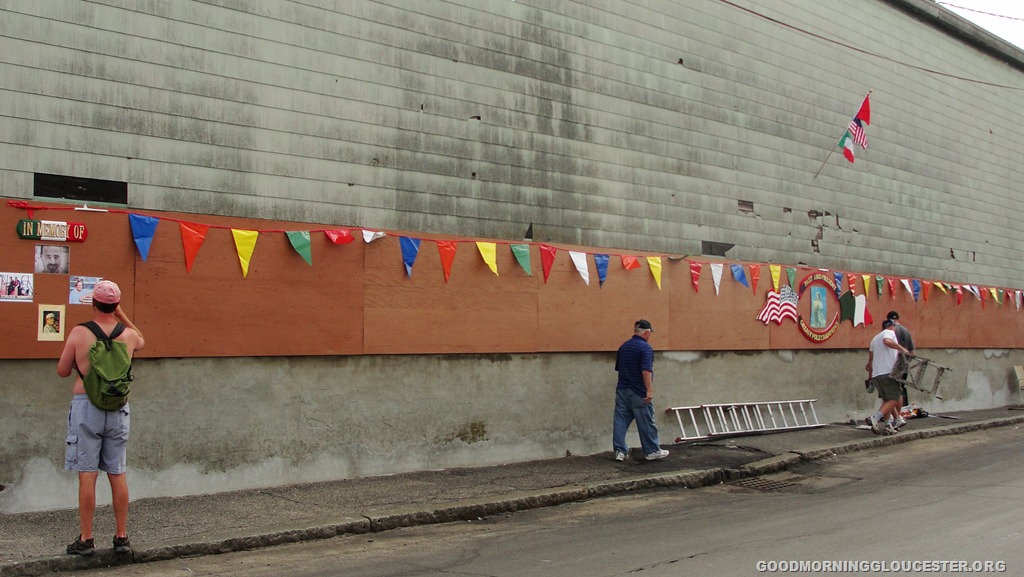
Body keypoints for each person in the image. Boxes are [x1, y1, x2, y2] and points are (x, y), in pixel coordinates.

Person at [57, 280, 145, 556]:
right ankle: (121, 537)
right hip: (118, 408)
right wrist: (121, 315)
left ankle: (86, 539)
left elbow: (62, 370)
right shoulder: (128, 336)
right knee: (117, 472)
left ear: (93, 303)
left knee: (87, 474)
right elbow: (142, 341)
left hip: (86, 406)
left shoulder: (80, 332)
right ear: (116, 305)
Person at [612, 319, 669, 461]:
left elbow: (619, 368)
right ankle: (652, 451)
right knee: (646, 421)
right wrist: (649, 390)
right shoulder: (645, 348)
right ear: (647, 332)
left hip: (622, 389)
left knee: (620, 420)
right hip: (638, 391)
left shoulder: (624, 347)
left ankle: (620, 451)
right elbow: (646, 371)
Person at [865, 319, 913, 435]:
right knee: (894, 398)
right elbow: (887, 341)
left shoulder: (874, 339)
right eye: (895, 327)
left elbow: (869, 362)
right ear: (892, 326)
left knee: (886, 400)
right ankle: (875, 418)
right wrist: (902, 349)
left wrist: (870, 377)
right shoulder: (889, 332)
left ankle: (888, 425)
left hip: (877, 375)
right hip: (888, 373)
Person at [887, 310, 915, 429]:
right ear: (898, 318)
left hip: (892, 365)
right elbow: (912, 352)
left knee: (890, 392)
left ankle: (893, 417)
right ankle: (898, 416)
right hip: (904, 365)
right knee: (899, 390)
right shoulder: (906, 331)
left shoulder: (889, 331)